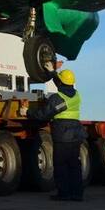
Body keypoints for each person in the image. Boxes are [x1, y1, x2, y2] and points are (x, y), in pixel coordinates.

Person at [24, 68, 86, 202]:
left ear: (61, 83)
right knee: (74, 165)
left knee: (61, 165)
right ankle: (77, 194)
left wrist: (27, 112)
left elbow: (43, 115)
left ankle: (63, 194)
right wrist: (53, 72)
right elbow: (60, 83)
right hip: (76, 134)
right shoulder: (77, 95)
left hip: (63, 135)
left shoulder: (58, 99)